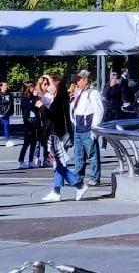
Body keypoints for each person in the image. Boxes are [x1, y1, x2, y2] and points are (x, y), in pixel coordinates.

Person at [39, 74, 88, 202]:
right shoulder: (58, 99)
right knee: (58, 163)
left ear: (56, 86)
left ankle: (78, 184)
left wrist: (41, 106)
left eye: (49, 85)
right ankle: (57, 191)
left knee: (59, 163)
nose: (48, 87)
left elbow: (50, 115)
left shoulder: (60, 98)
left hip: (59, 135)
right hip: (58, 134)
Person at [70, 69, 104, 187]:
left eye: (79, 80)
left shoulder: (93, 93)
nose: (77, 83)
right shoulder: (80, 92)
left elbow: (98, 111)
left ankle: (95, 177)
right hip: (78, 128)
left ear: (85, 80)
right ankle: (78, 177)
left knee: (92, 155)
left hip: (88, 128)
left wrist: (94, 128)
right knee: (78, 156)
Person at [17, 81, 38, 169]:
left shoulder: (33, 98)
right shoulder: (24, 99)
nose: (34, 89)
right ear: (28, 88)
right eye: (32, 87)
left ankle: (30, 161)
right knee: (26, 143)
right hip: (27, 122)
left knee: (34, 142)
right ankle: (21, 161)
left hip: (34, 122)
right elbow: (30, 107)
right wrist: (34, 99)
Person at [0, 81, 13, 147]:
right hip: (0, 113)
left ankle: (7, 141)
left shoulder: (9, 94)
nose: (6, 87)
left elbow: (11, 104)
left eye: (6, 85)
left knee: (6, 126)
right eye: (4, 85)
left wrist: (10, 112)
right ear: (1, 86)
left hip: (6, 113)